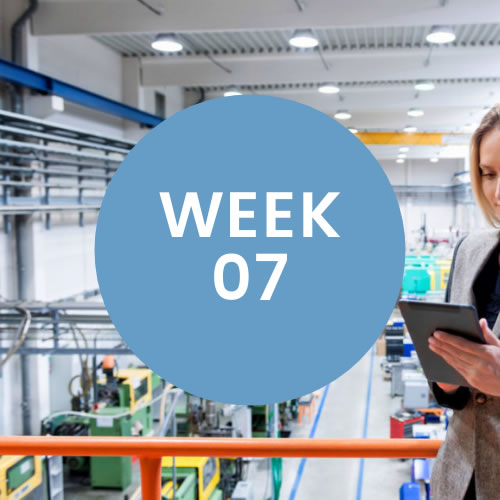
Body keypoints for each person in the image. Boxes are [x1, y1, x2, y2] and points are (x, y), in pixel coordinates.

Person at [427, 103, 500, 500]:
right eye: (488, 174)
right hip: (457, 480)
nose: (497, 192)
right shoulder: (470, 250)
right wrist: (446, 378)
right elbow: (455, 397)